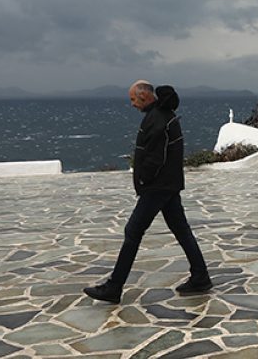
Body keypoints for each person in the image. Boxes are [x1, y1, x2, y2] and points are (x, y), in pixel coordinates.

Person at [83, 81, 212, 303]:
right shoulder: (164, 114)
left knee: (133, 232)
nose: (133, 104)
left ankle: (114, 287)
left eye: (134, 99)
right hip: (168, 185)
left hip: (157, 187)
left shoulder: (157, 119)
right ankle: (200, 277)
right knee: (181, 230)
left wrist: (143, 179)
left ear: (144, 95)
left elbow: (155, 158)